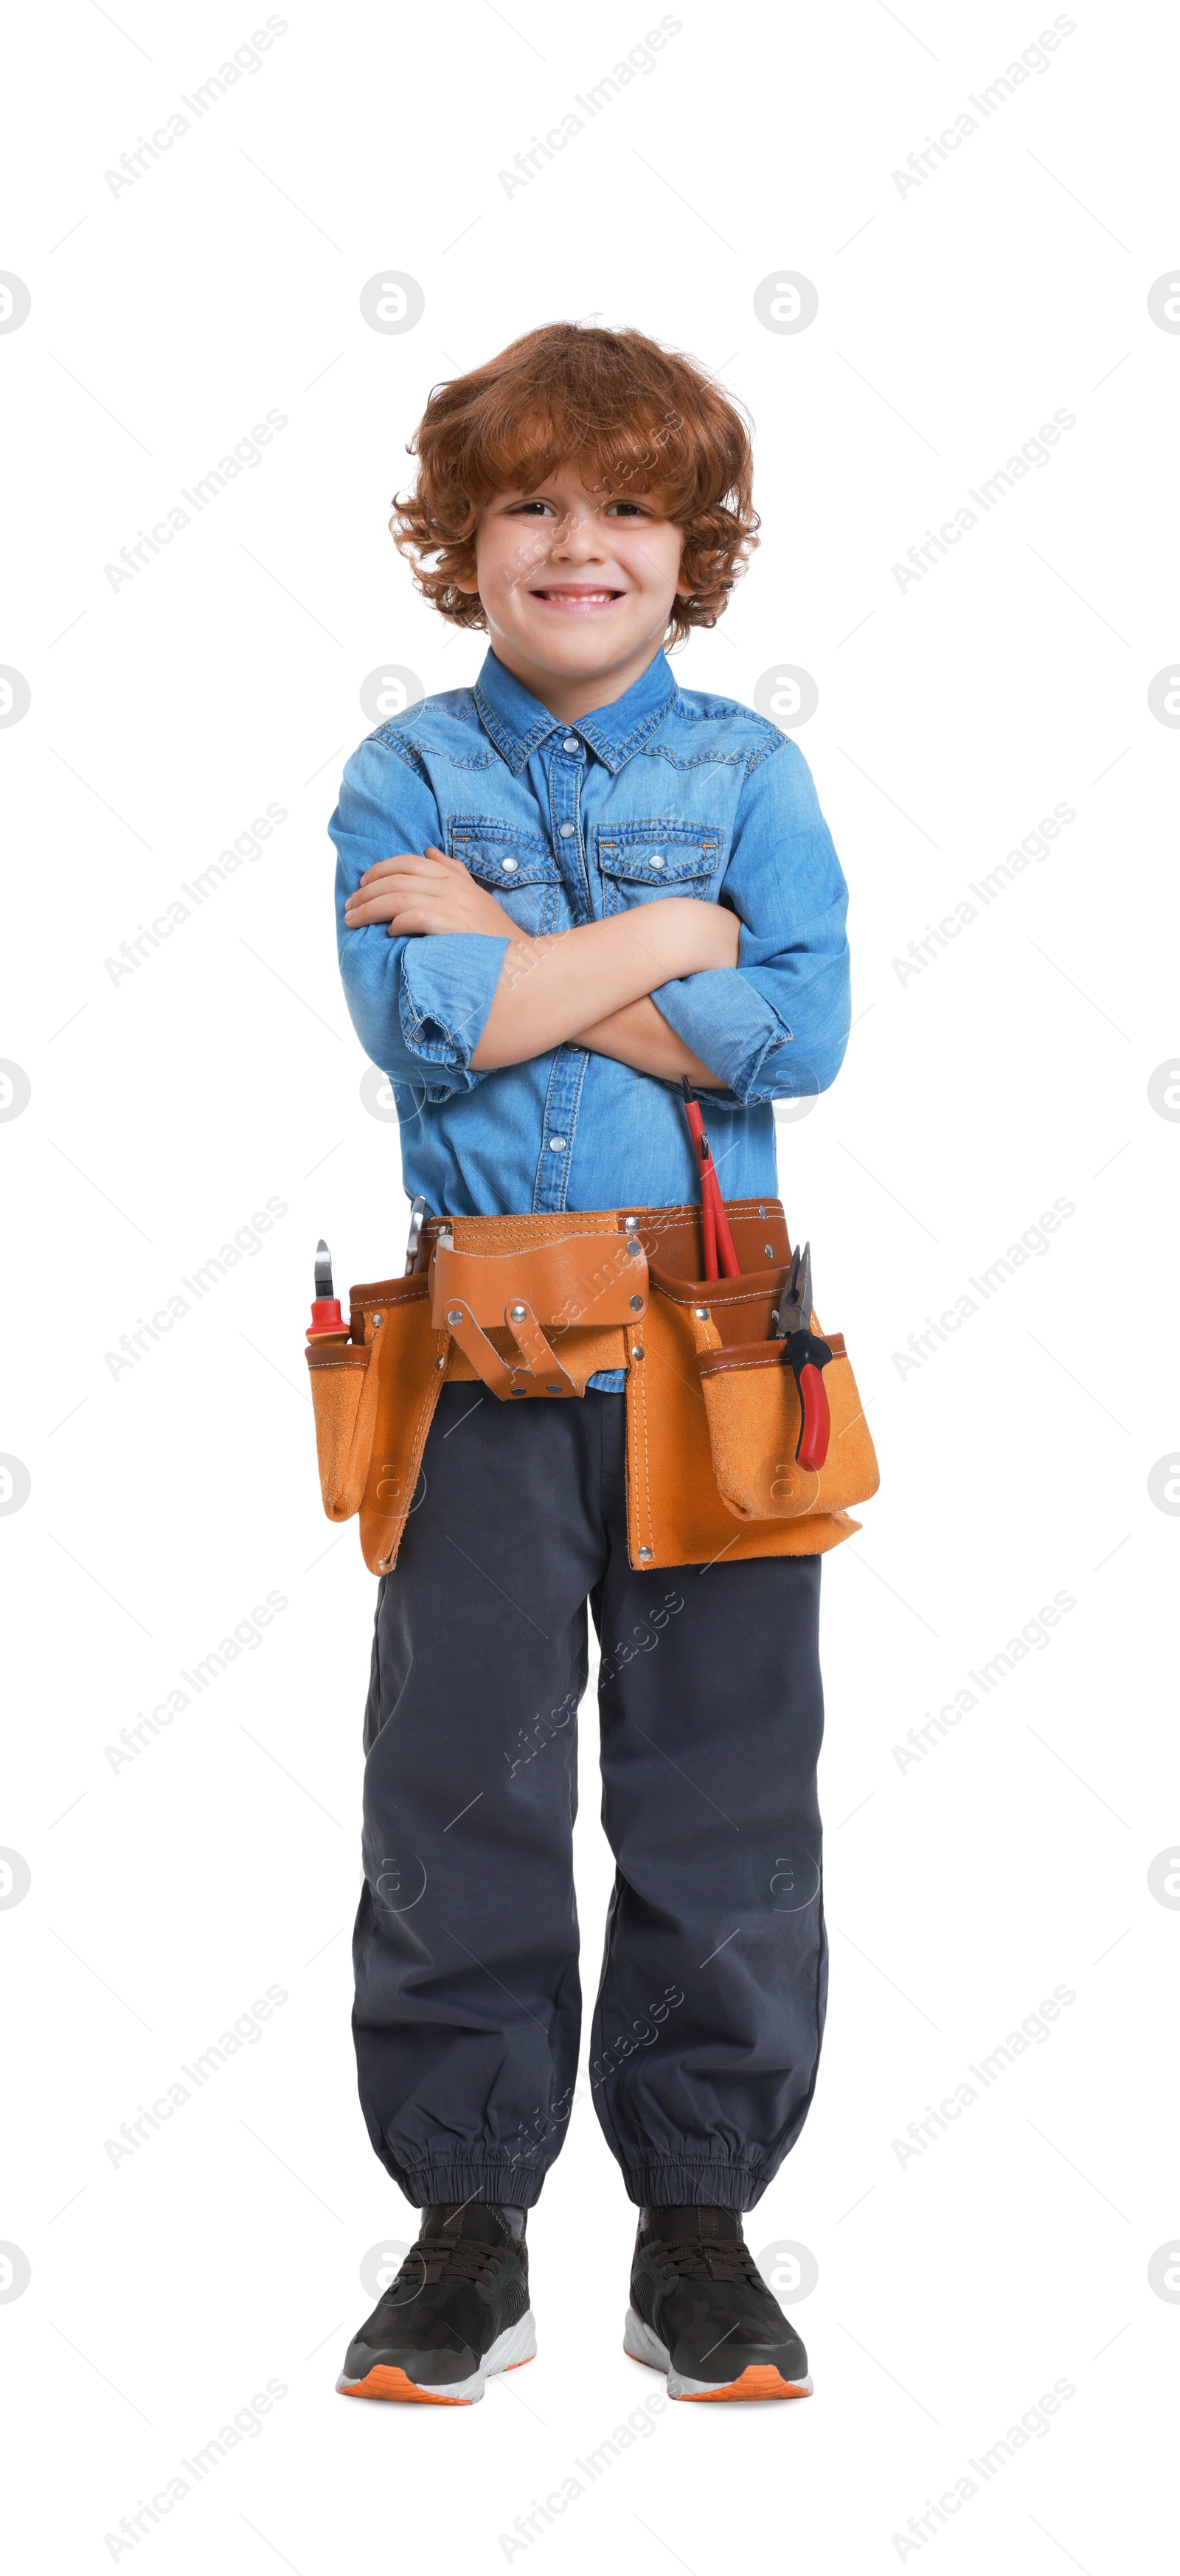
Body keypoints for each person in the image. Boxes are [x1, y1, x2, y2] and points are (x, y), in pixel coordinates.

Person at [327, 322, 851, 2405]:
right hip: (481, 1334)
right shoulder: (401, 780)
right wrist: (678, 943)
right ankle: (469, 2222)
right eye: (530, 502)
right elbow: (426, 1026)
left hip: (722, 1332)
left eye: (627, 504)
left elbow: (798, 1038)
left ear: (689, 543)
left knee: (726, 1780)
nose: (578, 543)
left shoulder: (751, 771)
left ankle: (699, 2222)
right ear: (462, 542)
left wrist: (534, 952)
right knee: (459, 1780)